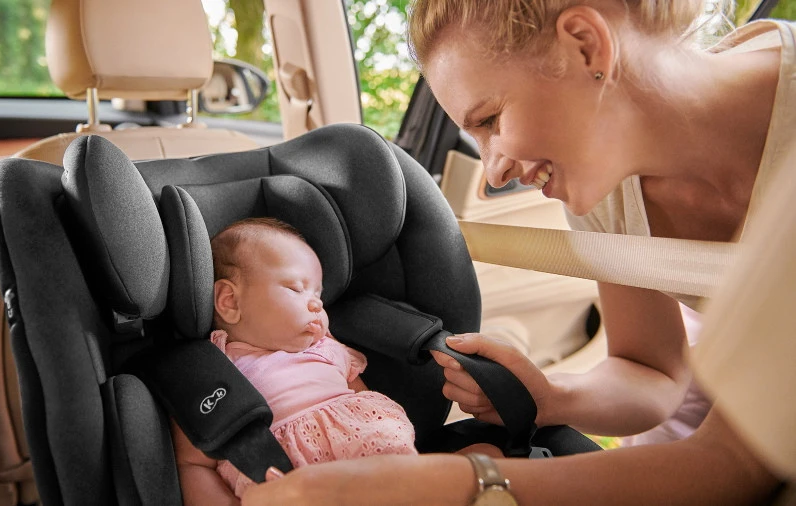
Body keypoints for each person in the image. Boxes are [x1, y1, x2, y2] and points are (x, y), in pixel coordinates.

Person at [234, 0, 795, 503]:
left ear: (586, 45)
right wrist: (550, 397)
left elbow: (734, 466)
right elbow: (652, 373)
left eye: (490, 120)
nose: (495, 170)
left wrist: (455, 482)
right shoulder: (608, 183)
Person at [171, 217, 501, 505]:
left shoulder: (329, 349)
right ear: (230, 301)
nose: (316, 304)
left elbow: (363, 401)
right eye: (296, 288)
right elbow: (194, 463)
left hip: (378, 462)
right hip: (283, 476)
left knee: (488, 455)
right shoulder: (211, 368)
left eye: (318, 294)